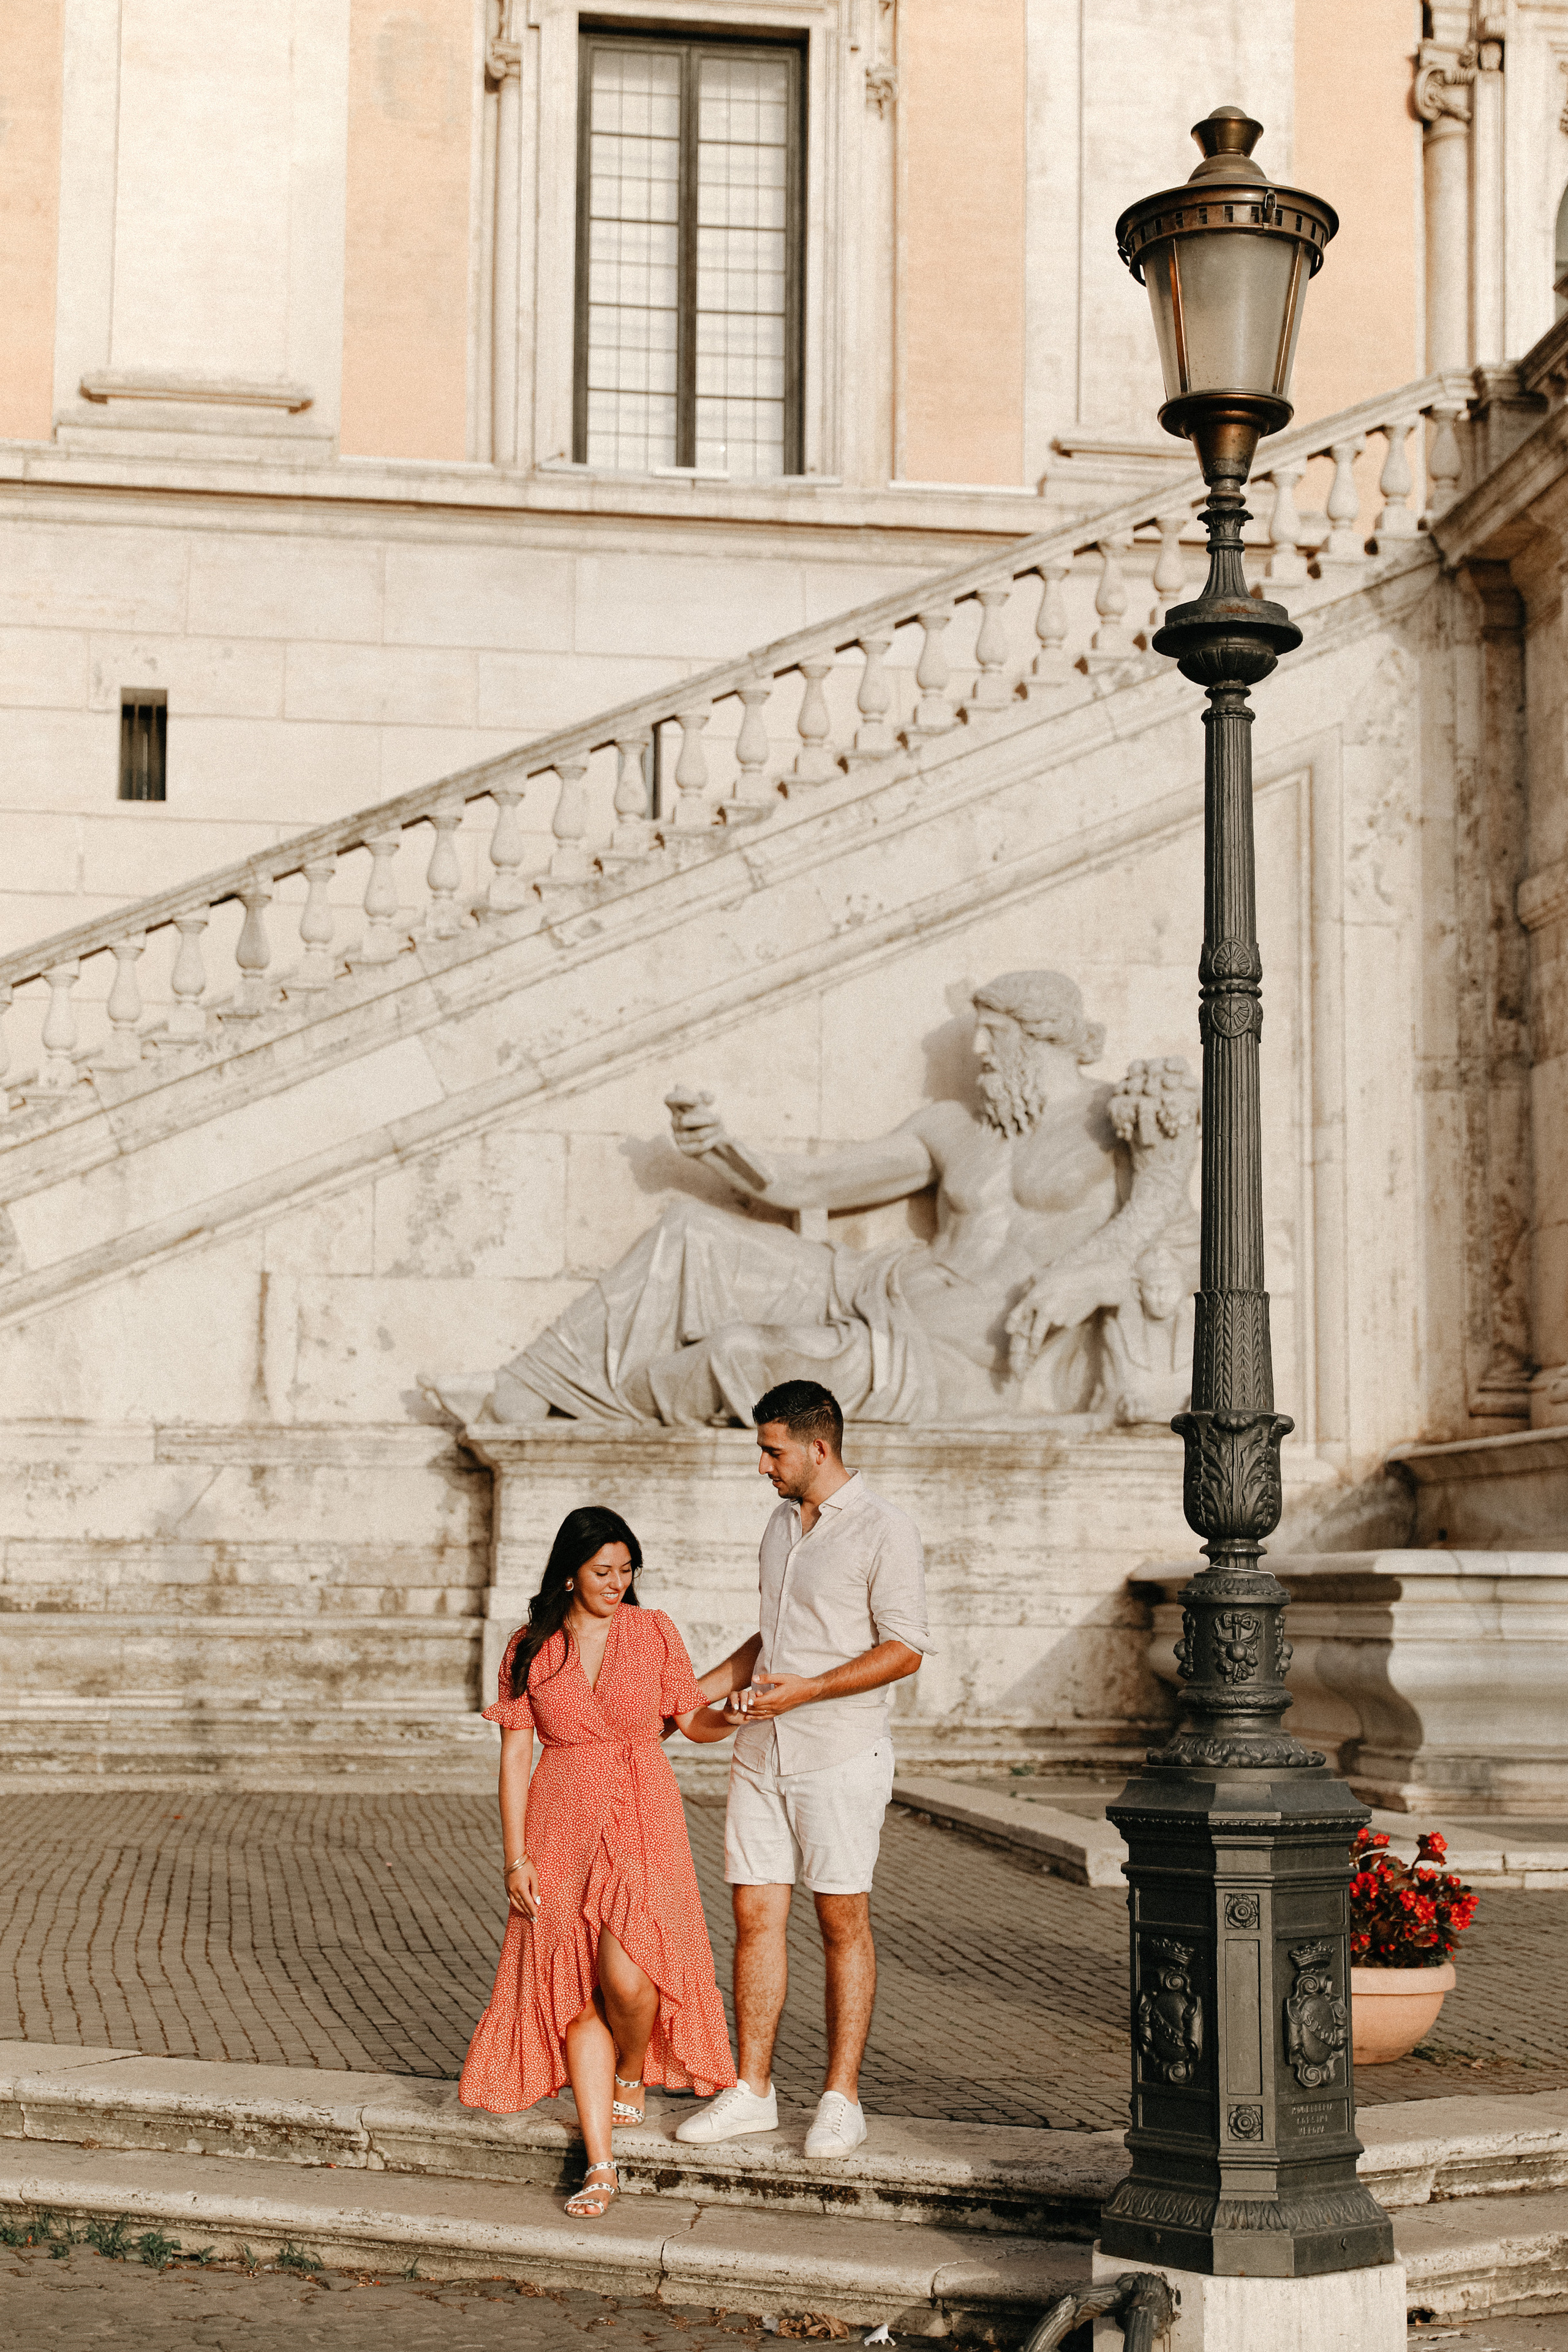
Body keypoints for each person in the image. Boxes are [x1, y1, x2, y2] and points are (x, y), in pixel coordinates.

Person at [675, 1380, 931, 2161]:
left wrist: (812, 1690)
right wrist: (693, 1692)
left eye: (771, 1449)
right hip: (760, 1749)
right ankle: (751, 2089)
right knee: (754, 1918)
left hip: (840, 1754)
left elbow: (906, 1647)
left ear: (817, 1448)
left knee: (839, 1920)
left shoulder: (887, 1529)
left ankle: (840, 2098)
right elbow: (772, 1638)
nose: (763, 1465)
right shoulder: (781, 1525)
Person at [459, 1505, 738, 2218]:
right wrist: (515, 1857)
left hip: (644, 1811)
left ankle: (632, 2073)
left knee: (629, 1975)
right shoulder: (530, 1647)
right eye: (603, 1571)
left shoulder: (653, 1631)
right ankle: (601, 2167)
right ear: (569, 1573)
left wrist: (729, 1717)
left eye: (626, 1571)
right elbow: (515, 1757)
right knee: (571, 1993)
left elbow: (691, 1723)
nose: (618, 1583)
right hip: (559, 1824)